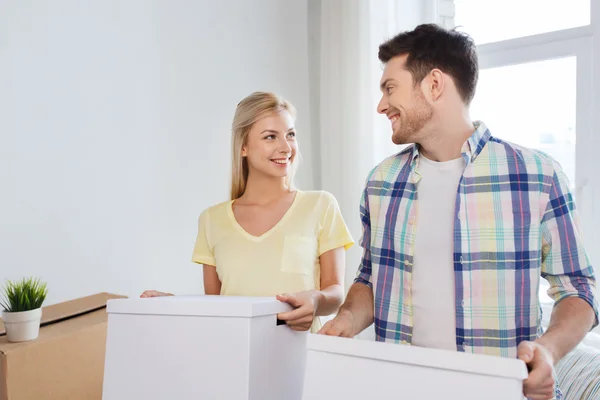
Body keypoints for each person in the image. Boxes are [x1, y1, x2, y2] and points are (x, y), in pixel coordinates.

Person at [318, 24, 598, 400]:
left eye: (389, 88)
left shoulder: (537, 175)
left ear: (434, 85)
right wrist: (347, 320)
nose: (381, 105)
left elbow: (577, 289)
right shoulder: (381, 182)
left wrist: (548, 350)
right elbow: (370, 279)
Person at [141, 91, 354, 333]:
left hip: (305, 358)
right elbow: (216, 309)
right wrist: (173, 304)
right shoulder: (212, 220)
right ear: (243, 147)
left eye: (290, 135)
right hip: (236, 358)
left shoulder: (321, 205)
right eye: (270, 137)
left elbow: (335, 292)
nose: (286, 147)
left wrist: (316, 300)